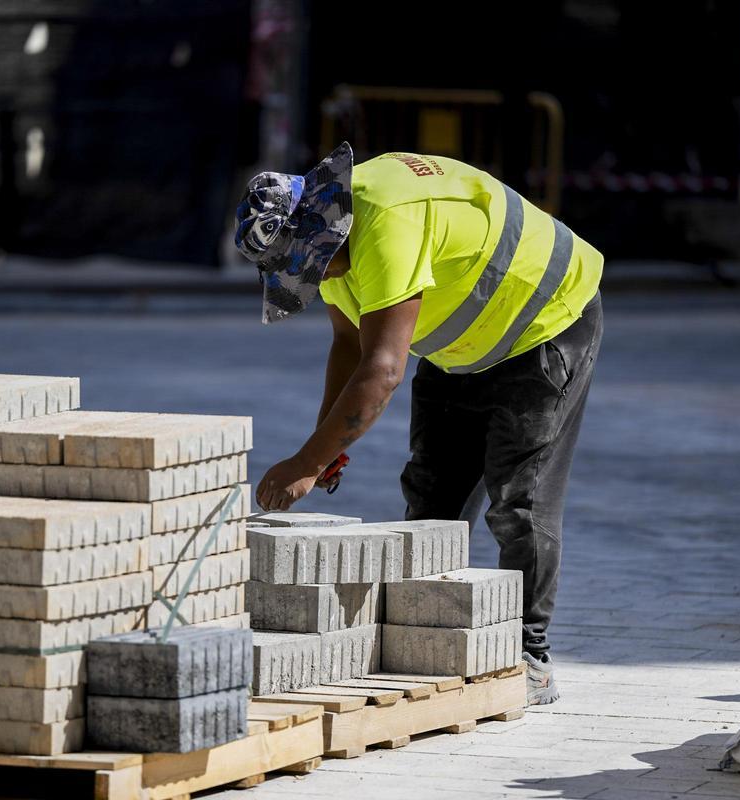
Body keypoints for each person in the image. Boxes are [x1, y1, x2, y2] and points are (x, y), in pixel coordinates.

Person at [235, 143, 603, 704]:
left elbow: (383, 371)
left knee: (519, 502)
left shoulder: (384, 219)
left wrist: (306, 463)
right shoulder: (329, 232)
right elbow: (349, 343)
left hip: (544, 321)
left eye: (310, 265)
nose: (313, 277)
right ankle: (431, 636)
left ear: (324, 231)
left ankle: (531, 655)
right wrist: (325, 444)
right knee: (432, 496)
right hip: (464, 338)